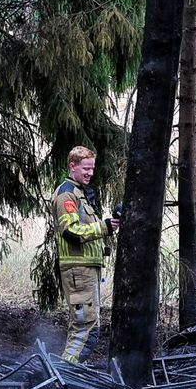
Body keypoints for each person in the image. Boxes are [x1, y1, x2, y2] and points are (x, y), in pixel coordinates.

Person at [53, 146, 118, 365]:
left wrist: (108, 226)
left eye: (92, 169)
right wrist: (103, 228)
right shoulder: (67, 194)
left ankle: (65, 375)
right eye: (85, 169)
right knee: (86, 331)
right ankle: (64, 376)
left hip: (85, 269)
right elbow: (70, 231)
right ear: (73, 166)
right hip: (77, 270)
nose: (90, 173)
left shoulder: (79, 193)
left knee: (83, 329)